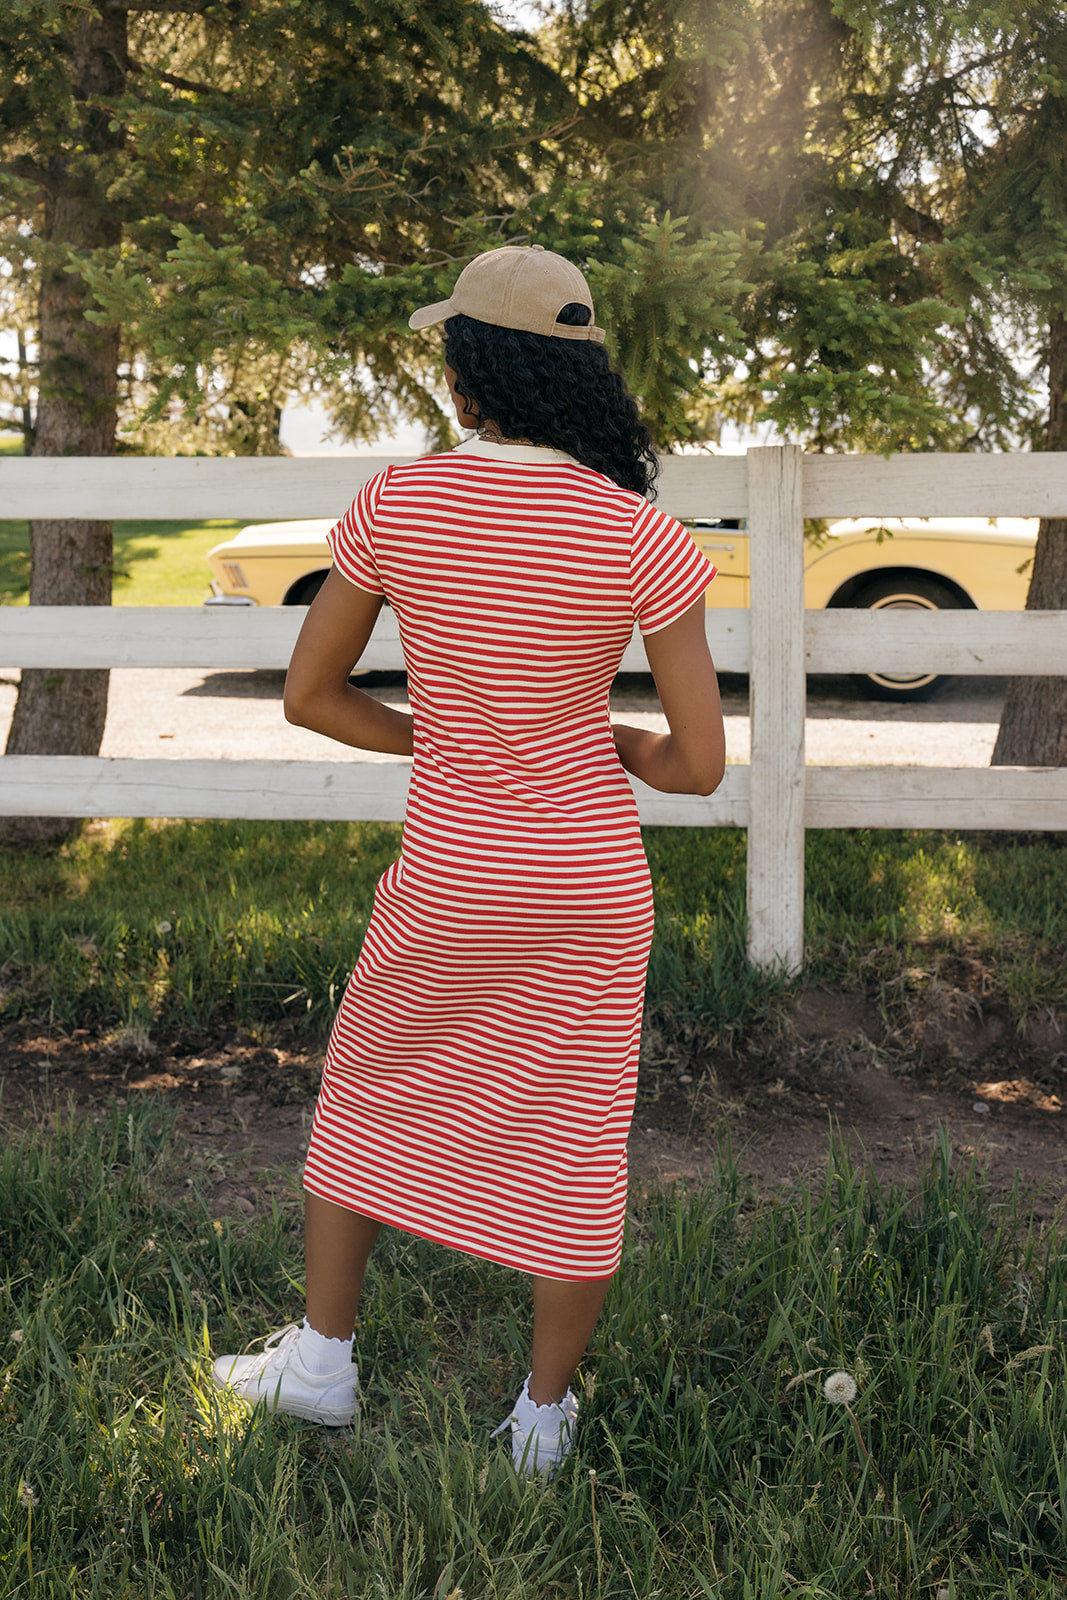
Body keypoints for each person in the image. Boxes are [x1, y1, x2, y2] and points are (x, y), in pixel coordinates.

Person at [211, 243, 726, 1475]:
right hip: (587, 887)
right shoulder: (642, 535)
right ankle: (540, 1421)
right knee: (575, 1133)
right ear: (579, 375)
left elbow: (309, 695)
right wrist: (609, 740)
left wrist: (438, 735)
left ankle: (321, 1366)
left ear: (465, 378)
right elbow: (697, 765)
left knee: (368, 1090)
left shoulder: (399, 503)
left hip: (451, 874)